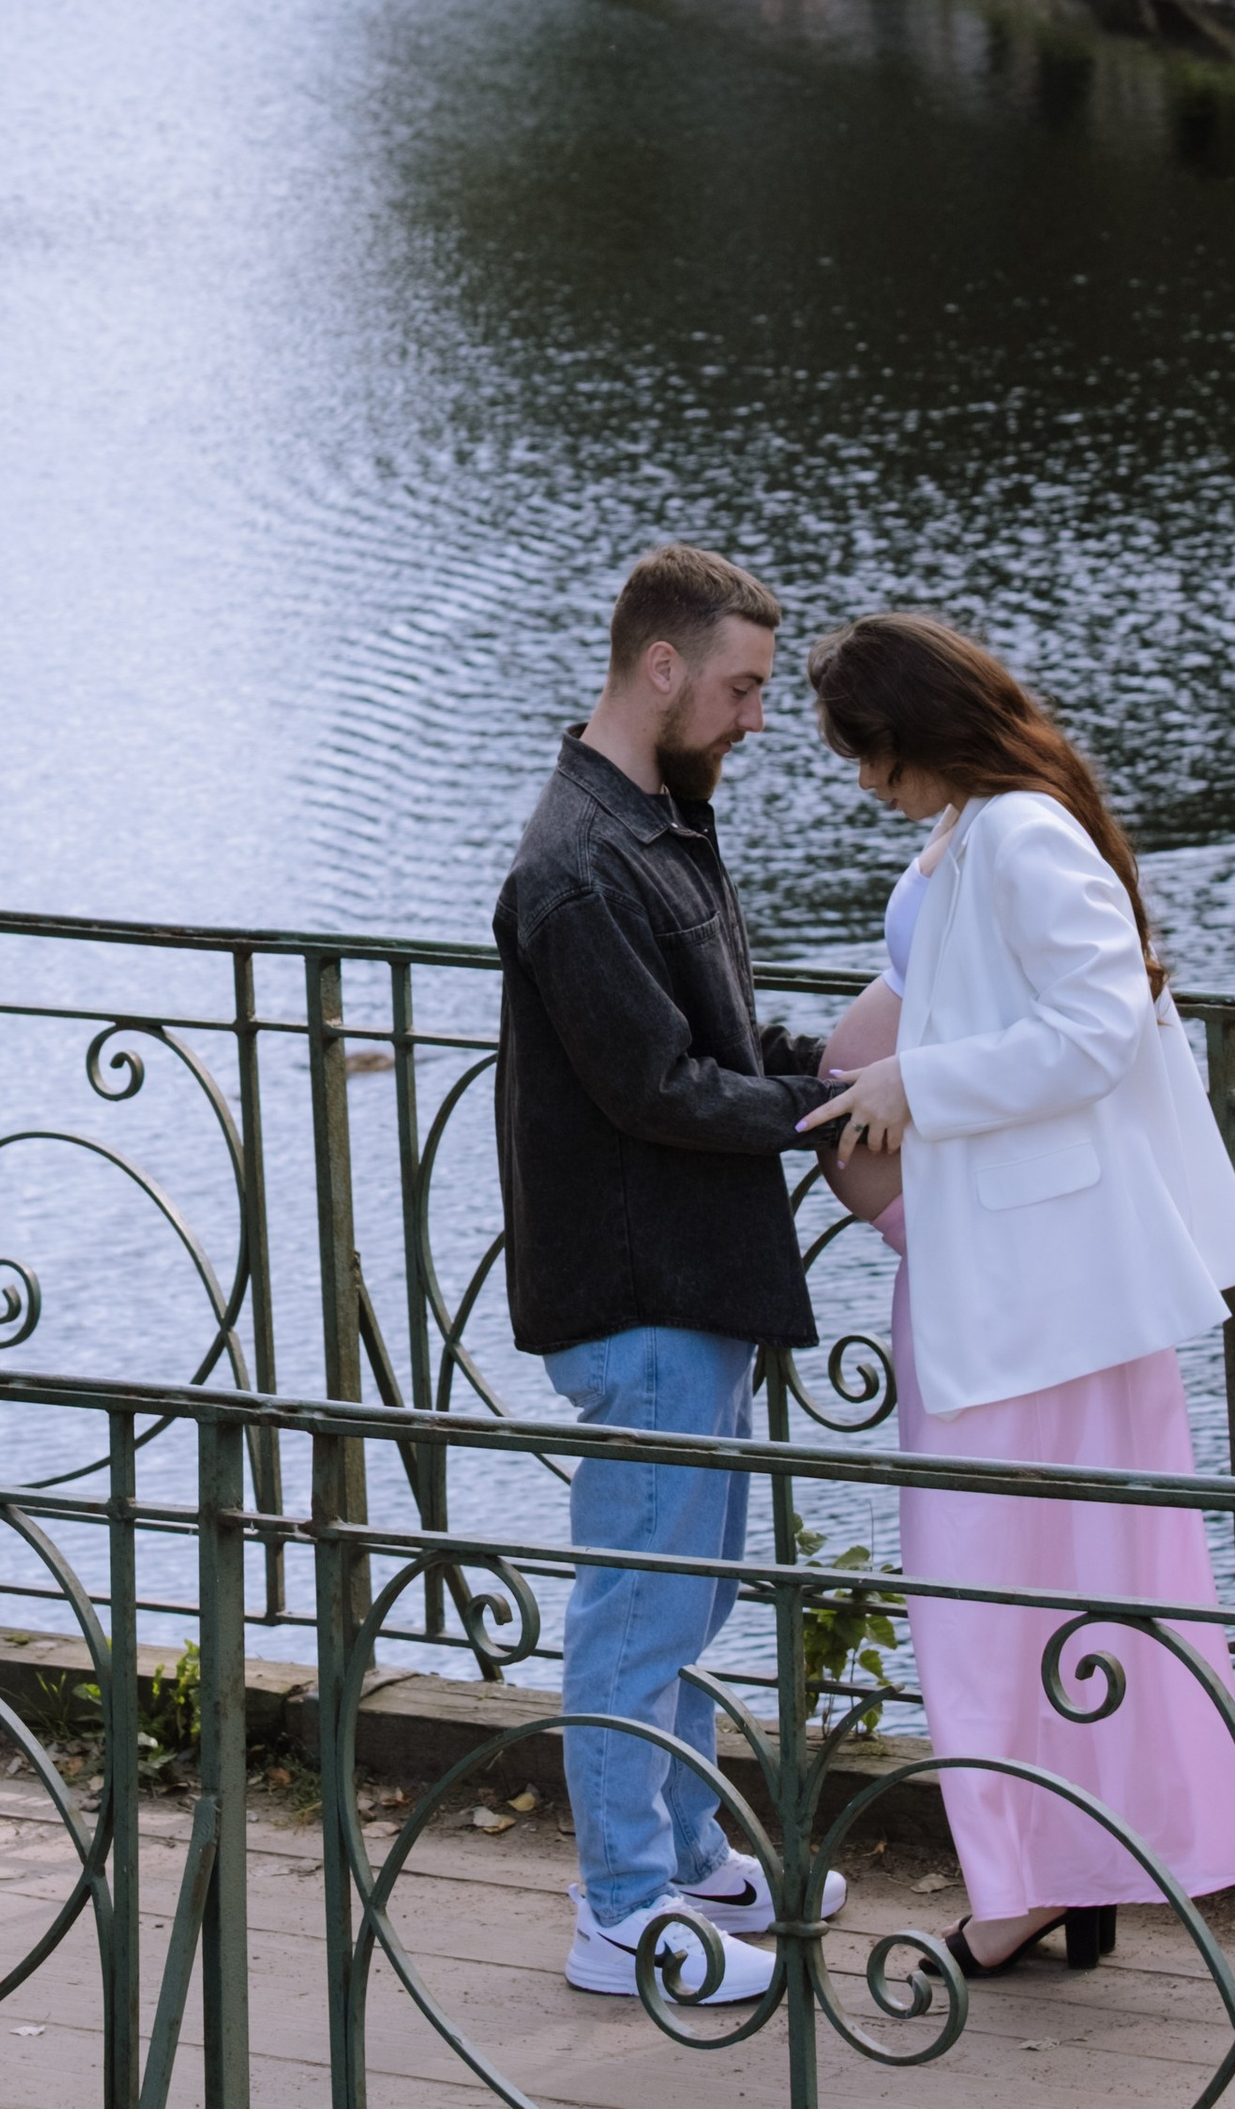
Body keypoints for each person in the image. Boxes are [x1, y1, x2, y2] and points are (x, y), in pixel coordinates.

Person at [799, 613, 1235, 1984]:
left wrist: (911, 1089)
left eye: (865, 750)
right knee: (1039, 1590)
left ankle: (1031, 1879)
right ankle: (1062, 1865)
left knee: (999, 1598)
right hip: (1000, 1280)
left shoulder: (1019, 833)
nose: (862, 779)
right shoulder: (967, 834)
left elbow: (1096, 1024)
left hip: (1036, 1297)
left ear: (917, 729)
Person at [495, 543, 849, 2004]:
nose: (757, 717)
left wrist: (817, 1065)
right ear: (661, 670)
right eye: (743, 688)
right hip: (641, 1293)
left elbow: (712, 1037)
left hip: (691, 1281)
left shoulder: (655, 819)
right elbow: (654, 1088)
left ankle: (692, 1854)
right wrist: (826, 1111)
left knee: (690, 1600)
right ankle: (622, 1914)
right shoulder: (575, 868)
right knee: (638, 1609)